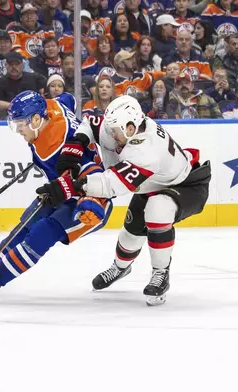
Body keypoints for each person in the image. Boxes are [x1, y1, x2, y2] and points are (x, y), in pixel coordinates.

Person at [38, 95, 211, 305]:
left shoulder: (147, 151)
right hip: (151, 184)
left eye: (115, 131)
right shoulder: (122, 126)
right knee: (129, 235)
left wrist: (71, 186)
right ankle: (120, 267)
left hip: (187, 185)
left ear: (130, 128)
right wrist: (75, 146)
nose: (110, 135)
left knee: (158, 209)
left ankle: (161, 273)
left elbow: (112, 185)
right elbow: (90, 123)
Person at [0, 91, 113, 302]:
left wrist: (66, 187)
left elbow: (90, 178)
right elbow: (67, 99)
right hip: (66, 188)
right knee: (25, 225)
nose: (17, 131)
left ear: (36, 119)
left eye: (20, 125)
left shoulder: (53, 147)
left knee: (42, 232)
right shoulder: (52, 107)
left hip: (90, 203)